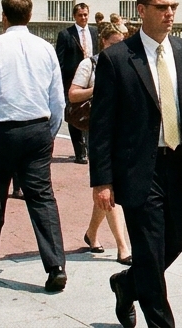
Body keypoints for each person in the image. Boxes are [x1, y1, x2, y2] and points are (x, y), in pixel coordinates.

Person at [92, 0, 182, 328]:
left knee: (174, 242)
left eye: (173, 7)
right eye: (162, 7)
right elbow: (102, 126)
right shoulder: (117, 58)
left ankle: (127, 283)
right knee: (150, 253)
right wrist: (102, 180)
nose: (170, 14)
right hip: (139, 170)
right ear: (141, 10)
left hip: (177, 166)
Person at [0, 0, 68, 293]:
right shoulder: (45, 48)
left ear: (4, 16)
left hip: (2, 131)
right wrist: (49, 130)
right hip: (37, 129)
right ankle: (55, 265)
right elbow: (56, 98)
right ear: (30, 16)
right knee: (42, 197)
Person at [69, 23, 132, 266]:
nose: (119, 48)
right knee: (109, 187)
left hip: (124, 132)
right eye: (114, 43)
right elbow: (73, 94)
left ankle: (91, 233)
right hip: (100, 132)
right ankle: (123, 247)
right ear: (103, 42)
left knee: (107, 191)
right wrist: (98, 89)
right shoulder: (90, 64)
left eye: (122, 43)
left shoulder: (129, 62)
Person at [56, 3, 98, 164]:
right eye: (80, 15)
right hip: (72, 80)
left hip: (92, 77)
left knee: (92, 112)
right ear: (75, 16)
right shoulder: (66, 34)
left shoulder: (94, 32)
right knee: (75, 114)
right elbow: (60, 61)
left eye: (86, 15)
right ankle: (80, 152)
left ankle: (90, 146)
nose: (84, 18)